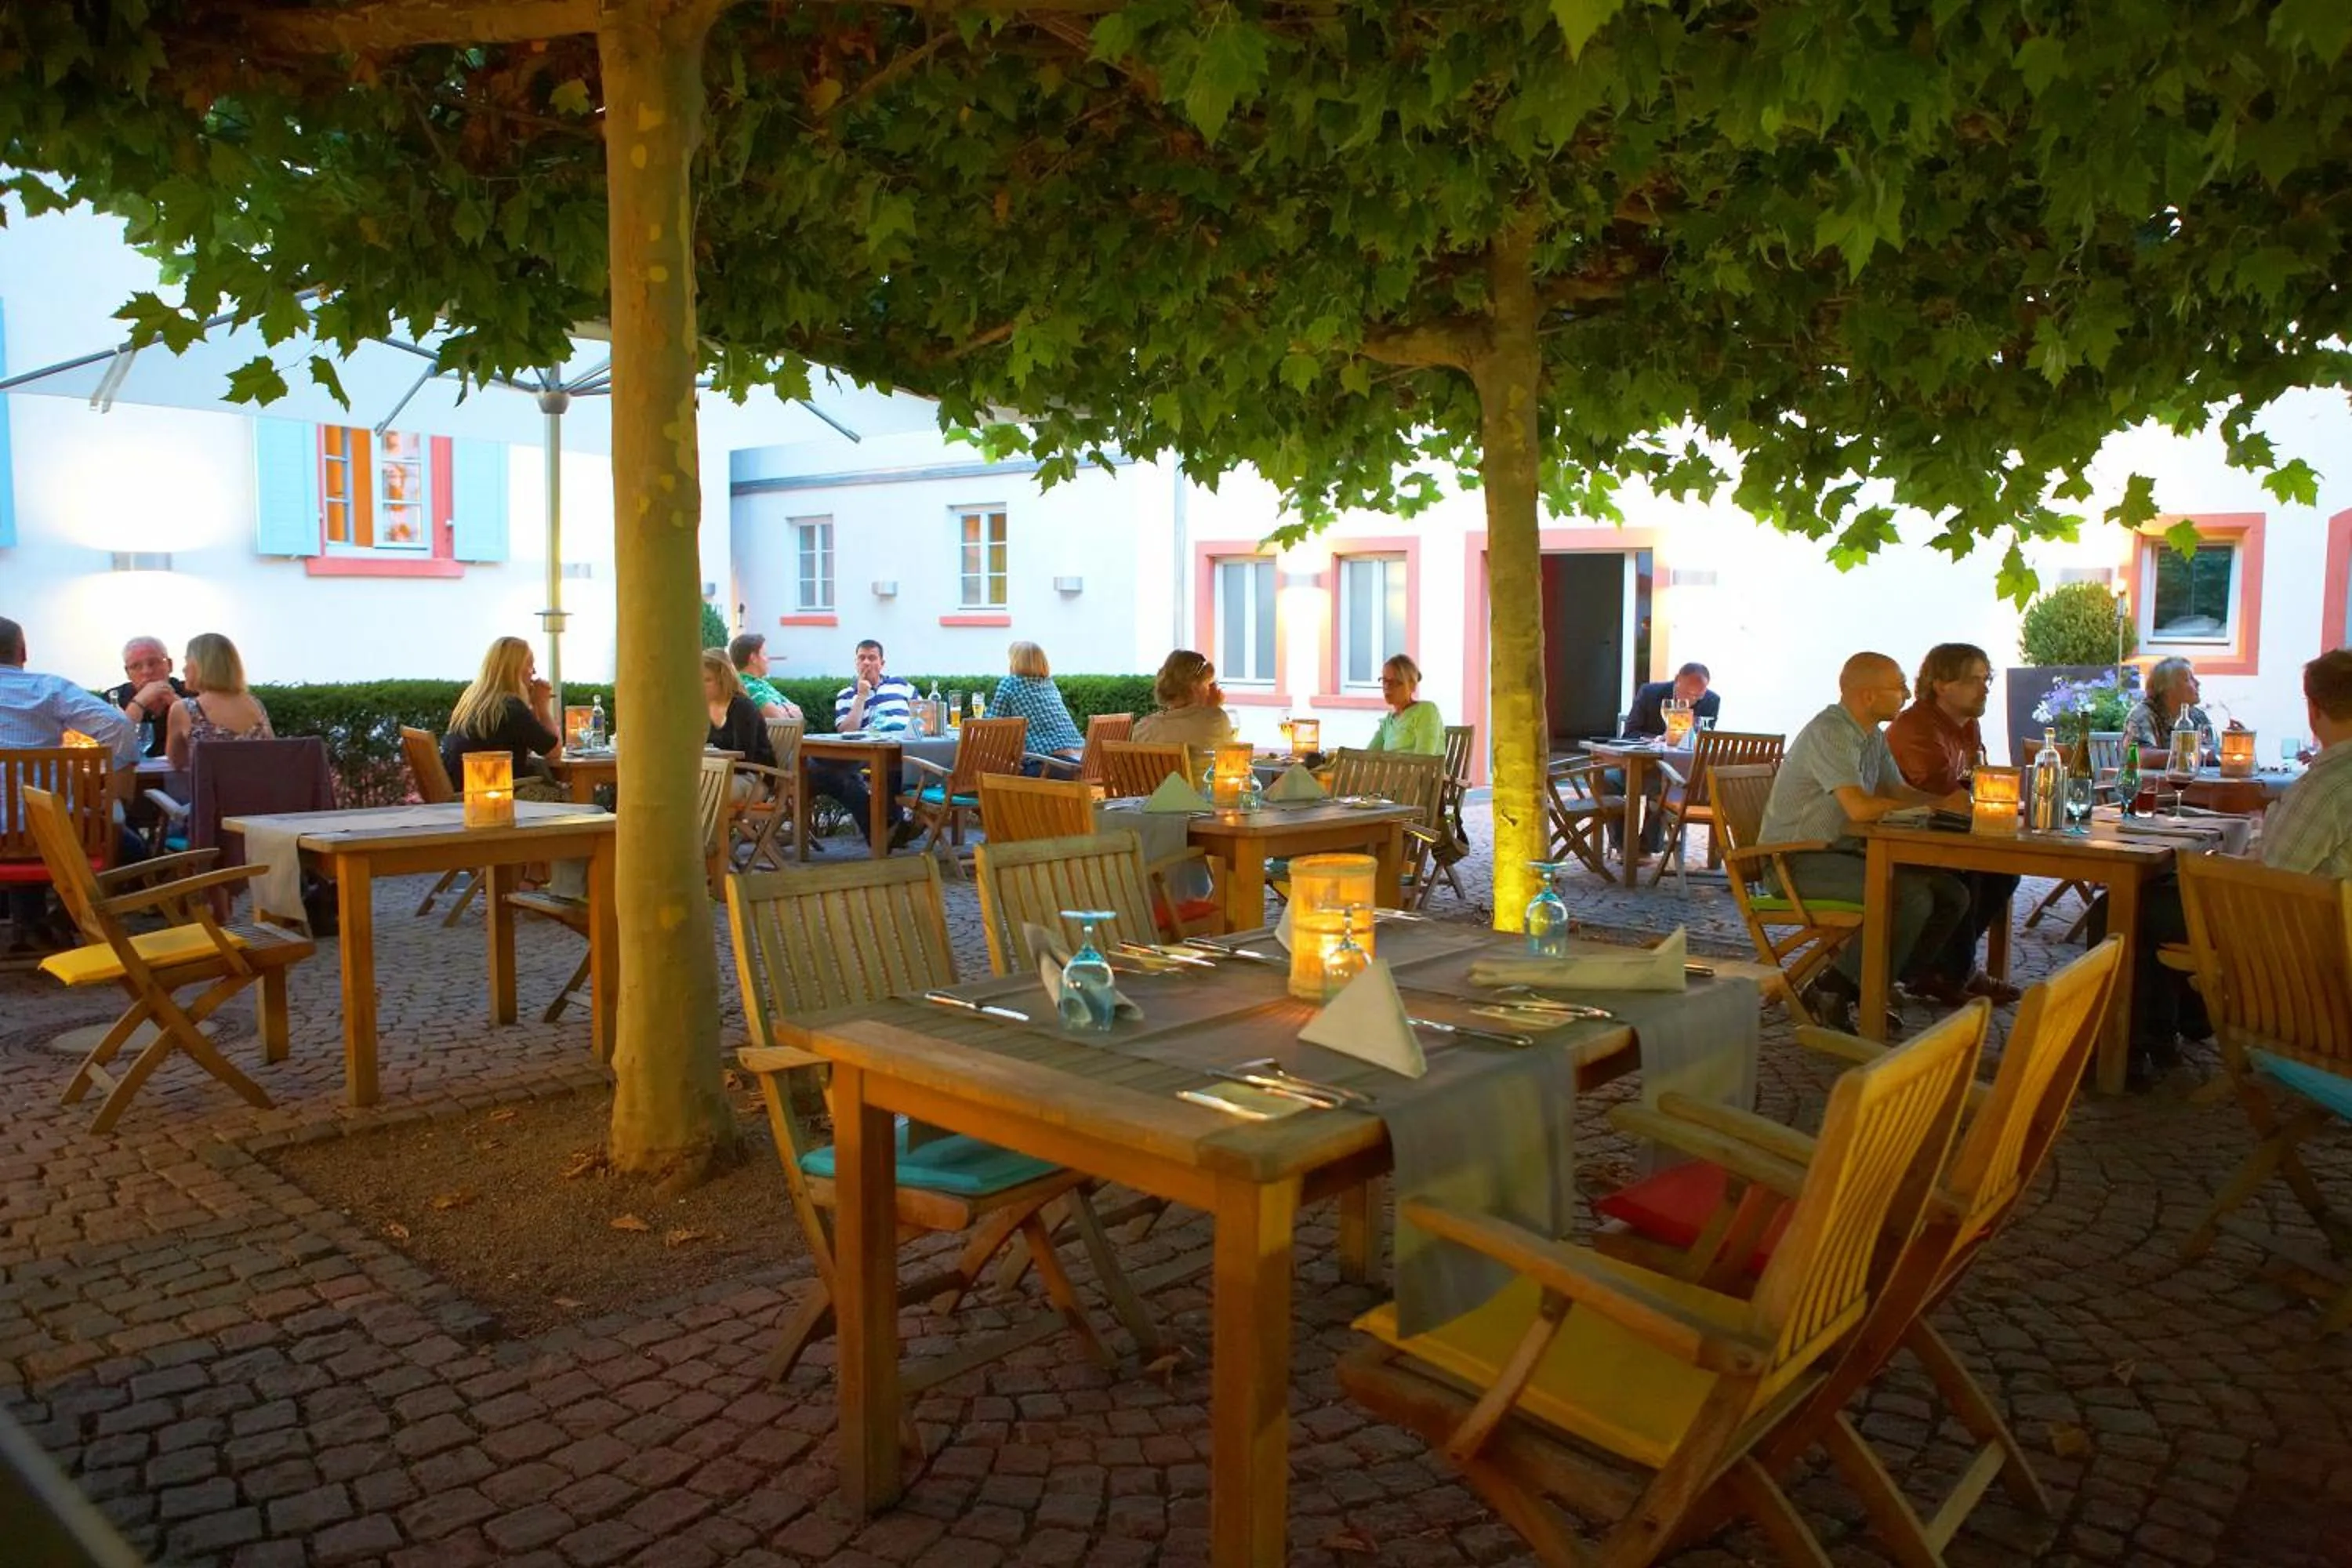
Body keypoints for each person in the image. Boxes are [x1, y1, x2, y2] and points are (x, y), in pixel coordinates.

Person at [2098, 649, 2352, 1087]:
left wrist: (2211, 867)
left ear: (2313, 709)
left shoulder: (2328, 786)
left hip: (2301, 939)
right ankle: (2172, 1027)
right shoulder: (2330, 781)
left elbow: (2265, 882)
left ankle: (2123, 1053)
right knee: (2165, 892)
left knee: (2128, 903)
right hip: (2328, 929)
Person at [1756, 652, 1973, 1031]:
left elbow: (1894, 789)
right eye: (1900, 686)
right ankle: (1839, 986)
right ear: (1869, 696)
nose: (1908, 694)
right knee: (1910, 896)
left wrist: (1943, 803)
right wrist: (1930, 807)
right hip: (1795, 863)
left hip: (1843, 854)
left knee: (1953, 893)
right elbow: (1858, 807)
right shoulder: (1832, 732)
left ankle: (1862, 982)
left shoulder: (1870, 733)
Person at [1883, 643, 2024, 1006]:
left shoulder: (1968, 726)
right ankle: (1945, 971)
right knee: (1968, 871)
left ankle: (1949, 968)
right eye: (1974, 680)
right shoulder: (1915, 727)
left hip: (1945, 834)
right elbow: (1951, 797)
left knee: (2004, 871)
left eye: (1986, 679)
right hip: (1904, 840)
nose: (1985, 689)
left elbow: (1975, 787)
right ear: (1942, 684)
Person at [1, 616, 143, 949]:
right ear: (23, 651)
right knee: (126, 843)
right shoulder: (48, 689)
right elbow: (119, 729)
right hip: (54, 834)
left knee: (25, 829)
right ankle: (58, 919)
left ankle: (33, 926)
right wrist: (115, 776)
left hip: (26, 833)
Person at [808, 639, 920, 850]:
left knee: (890, 771)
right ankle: (888, 830)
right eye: (862, 658)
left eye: (872, 658)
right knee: (828, 770)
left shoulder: (902, 686)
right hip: (866, 756)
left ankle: (890, 830)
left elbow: (924, 715)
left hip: (906, 752)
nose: (867, 663)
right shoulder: (846, 695)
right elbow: (846, 730)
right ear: (855, 663)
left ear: (882, 663)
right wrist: (861, 696)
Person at [443, 636, 564, 800]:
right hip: (492, 798)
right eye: (529, 664)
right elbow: (554, 751)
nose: (534, 672)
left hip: (466, 793)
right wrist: (542, 707)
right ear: (514, 668)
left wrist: (532, 705)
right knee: (572, 799)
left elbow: (533, 740)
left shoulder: (476, 701)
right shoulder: (509, 706)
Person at [164, 633, 274, 770]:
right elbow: (271, 756)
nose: (184, 669)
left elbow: (177, 763)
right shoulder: (255, 705)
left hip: (210, 791)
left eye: (187, 662)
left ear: (199, 666)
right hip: (259, 791)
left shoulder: (186, 709)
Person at [990, 641, 1085, 764]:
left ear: (1015, 662)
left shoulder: (1011, 684)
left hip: (1049, 765)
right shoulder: (1050, 685)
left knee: (995, 769)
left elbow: (992, 724)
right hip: (1078, 760)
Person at [1131, 649, 1238, 750]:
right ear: (1195, 686)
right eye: (1208, 683)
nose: (1212, 689)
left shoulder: (1142, 728)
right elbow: (1230, 759)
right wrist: (1213, 710)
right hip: (1199, 770)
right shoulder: (1216, 720)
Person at [2122, 656, 2217, 764]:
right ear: (2167, 688)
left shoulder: (2197, 716)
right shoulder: (2144, 714)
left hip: (2190, 779)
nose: (2198, 683)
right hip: (2151, 780)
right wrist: (2190, 755)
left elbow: (2212, 752)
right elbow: (2140, 757)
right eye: (2188, 679)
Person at [105, 635, 186, 760]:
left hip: (185, 777)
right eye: (136, 666)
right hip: (132, 778)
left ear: (169, 665)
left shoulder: (192, 692)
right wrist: (139, 702)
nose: (146, 671)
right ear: (127, 673)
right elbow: (113, 747)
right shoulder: (113, 699)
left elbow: (207, 739)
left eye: (153, 663)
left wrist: (178, 705)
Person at [702, 650, 776, 782]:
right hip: (716, 776)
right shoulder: (702, 710)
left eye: (707, 680)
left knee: (696, 794)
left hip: (753, 777)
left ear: (724, 679)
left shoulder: (743, 708)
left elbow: (744, 758)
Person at [1367, 654, 1445, 754]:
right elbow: (1368, 756)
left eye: (1394, 682)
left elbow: (1424, 758)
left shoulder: (1426, 711)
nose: (1387, 686)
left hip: (1420, 770)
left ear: (1412, 685)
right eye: (1384, 680)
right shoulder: (1389, 721)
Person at [1627, 662, 1720, 738]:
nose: (1691, 700)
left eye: (1698, 696)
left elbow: (1706, 737)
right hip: (1650, 758)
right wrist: (1658, 739)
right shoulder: (1649, 693)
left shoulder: (1711, 701)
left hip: (1691, 759)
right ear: (1677, 680)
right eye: (1688, 693)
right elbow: (1630, 733)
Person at [728, 633, 800, 722]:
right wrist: (787, 710)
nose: (768, 659)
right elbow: (778, 719)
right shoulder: (745, 686)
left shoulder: (763, 684)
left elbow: (799, 714)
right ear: (753, 658)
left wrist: (784, 711)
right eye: (765, 654)